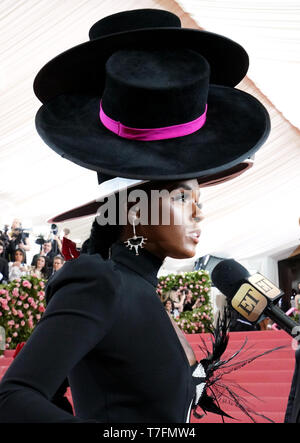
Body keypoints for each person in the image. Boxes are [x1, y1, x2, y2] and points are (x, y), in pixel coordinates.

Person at [0, 9, 270, 423]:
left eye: (198, 196)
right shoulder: (98, 282)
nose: (199, 211)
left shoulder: (141, 289)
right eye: (181, 197)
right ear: (132, 207)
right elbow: (14, 398)